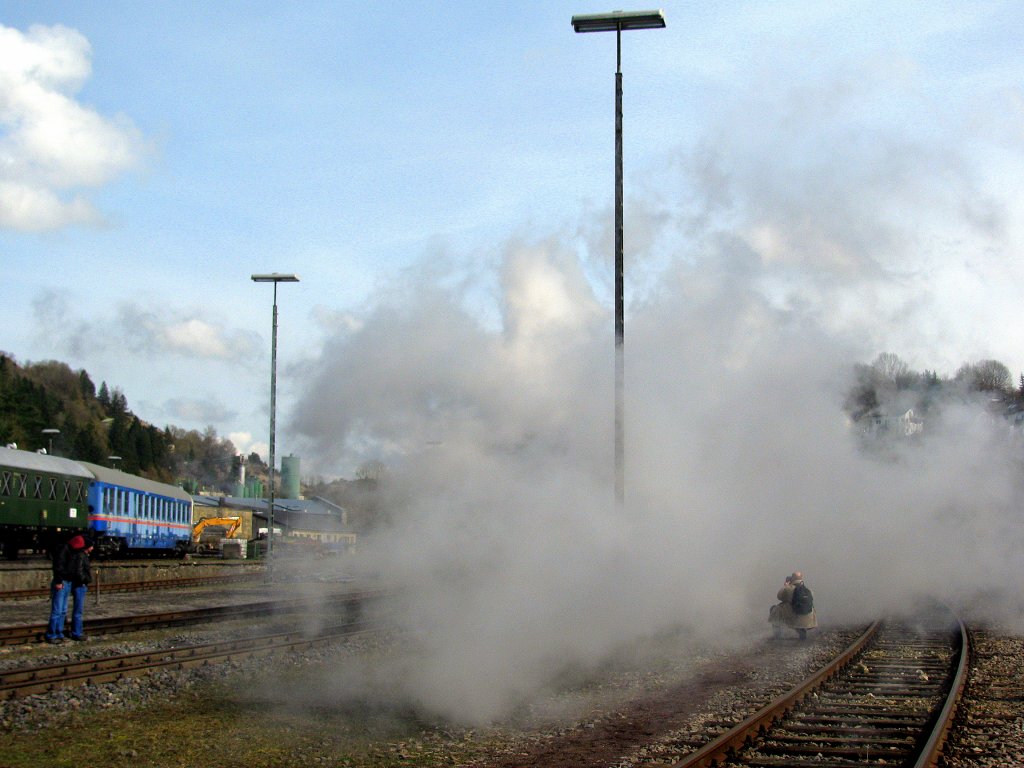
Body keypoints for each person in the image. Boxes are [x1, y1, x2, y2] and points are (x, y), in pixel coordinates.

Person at [44, 534, 93, 644]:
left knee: (63, 610)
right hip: (62, 582)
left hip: (68, 582)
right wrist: (58, 581)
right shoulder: (64, 550)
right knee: (57, 610)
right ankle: (52, 634)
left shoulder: (72, 551)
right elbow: (58, 567)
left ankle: (59, 633)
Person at [769, 571, 817, 641]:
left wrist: (785, 586)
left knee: (774, 609)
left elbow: (779, 596)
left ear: (792, 578)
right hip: (809, 621)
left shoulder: (788, 589)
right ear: (802, 578)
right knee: (799, 610)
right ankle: (802, 632)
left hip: (794, 618)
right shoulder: (809, 591)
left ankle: (777, 636)